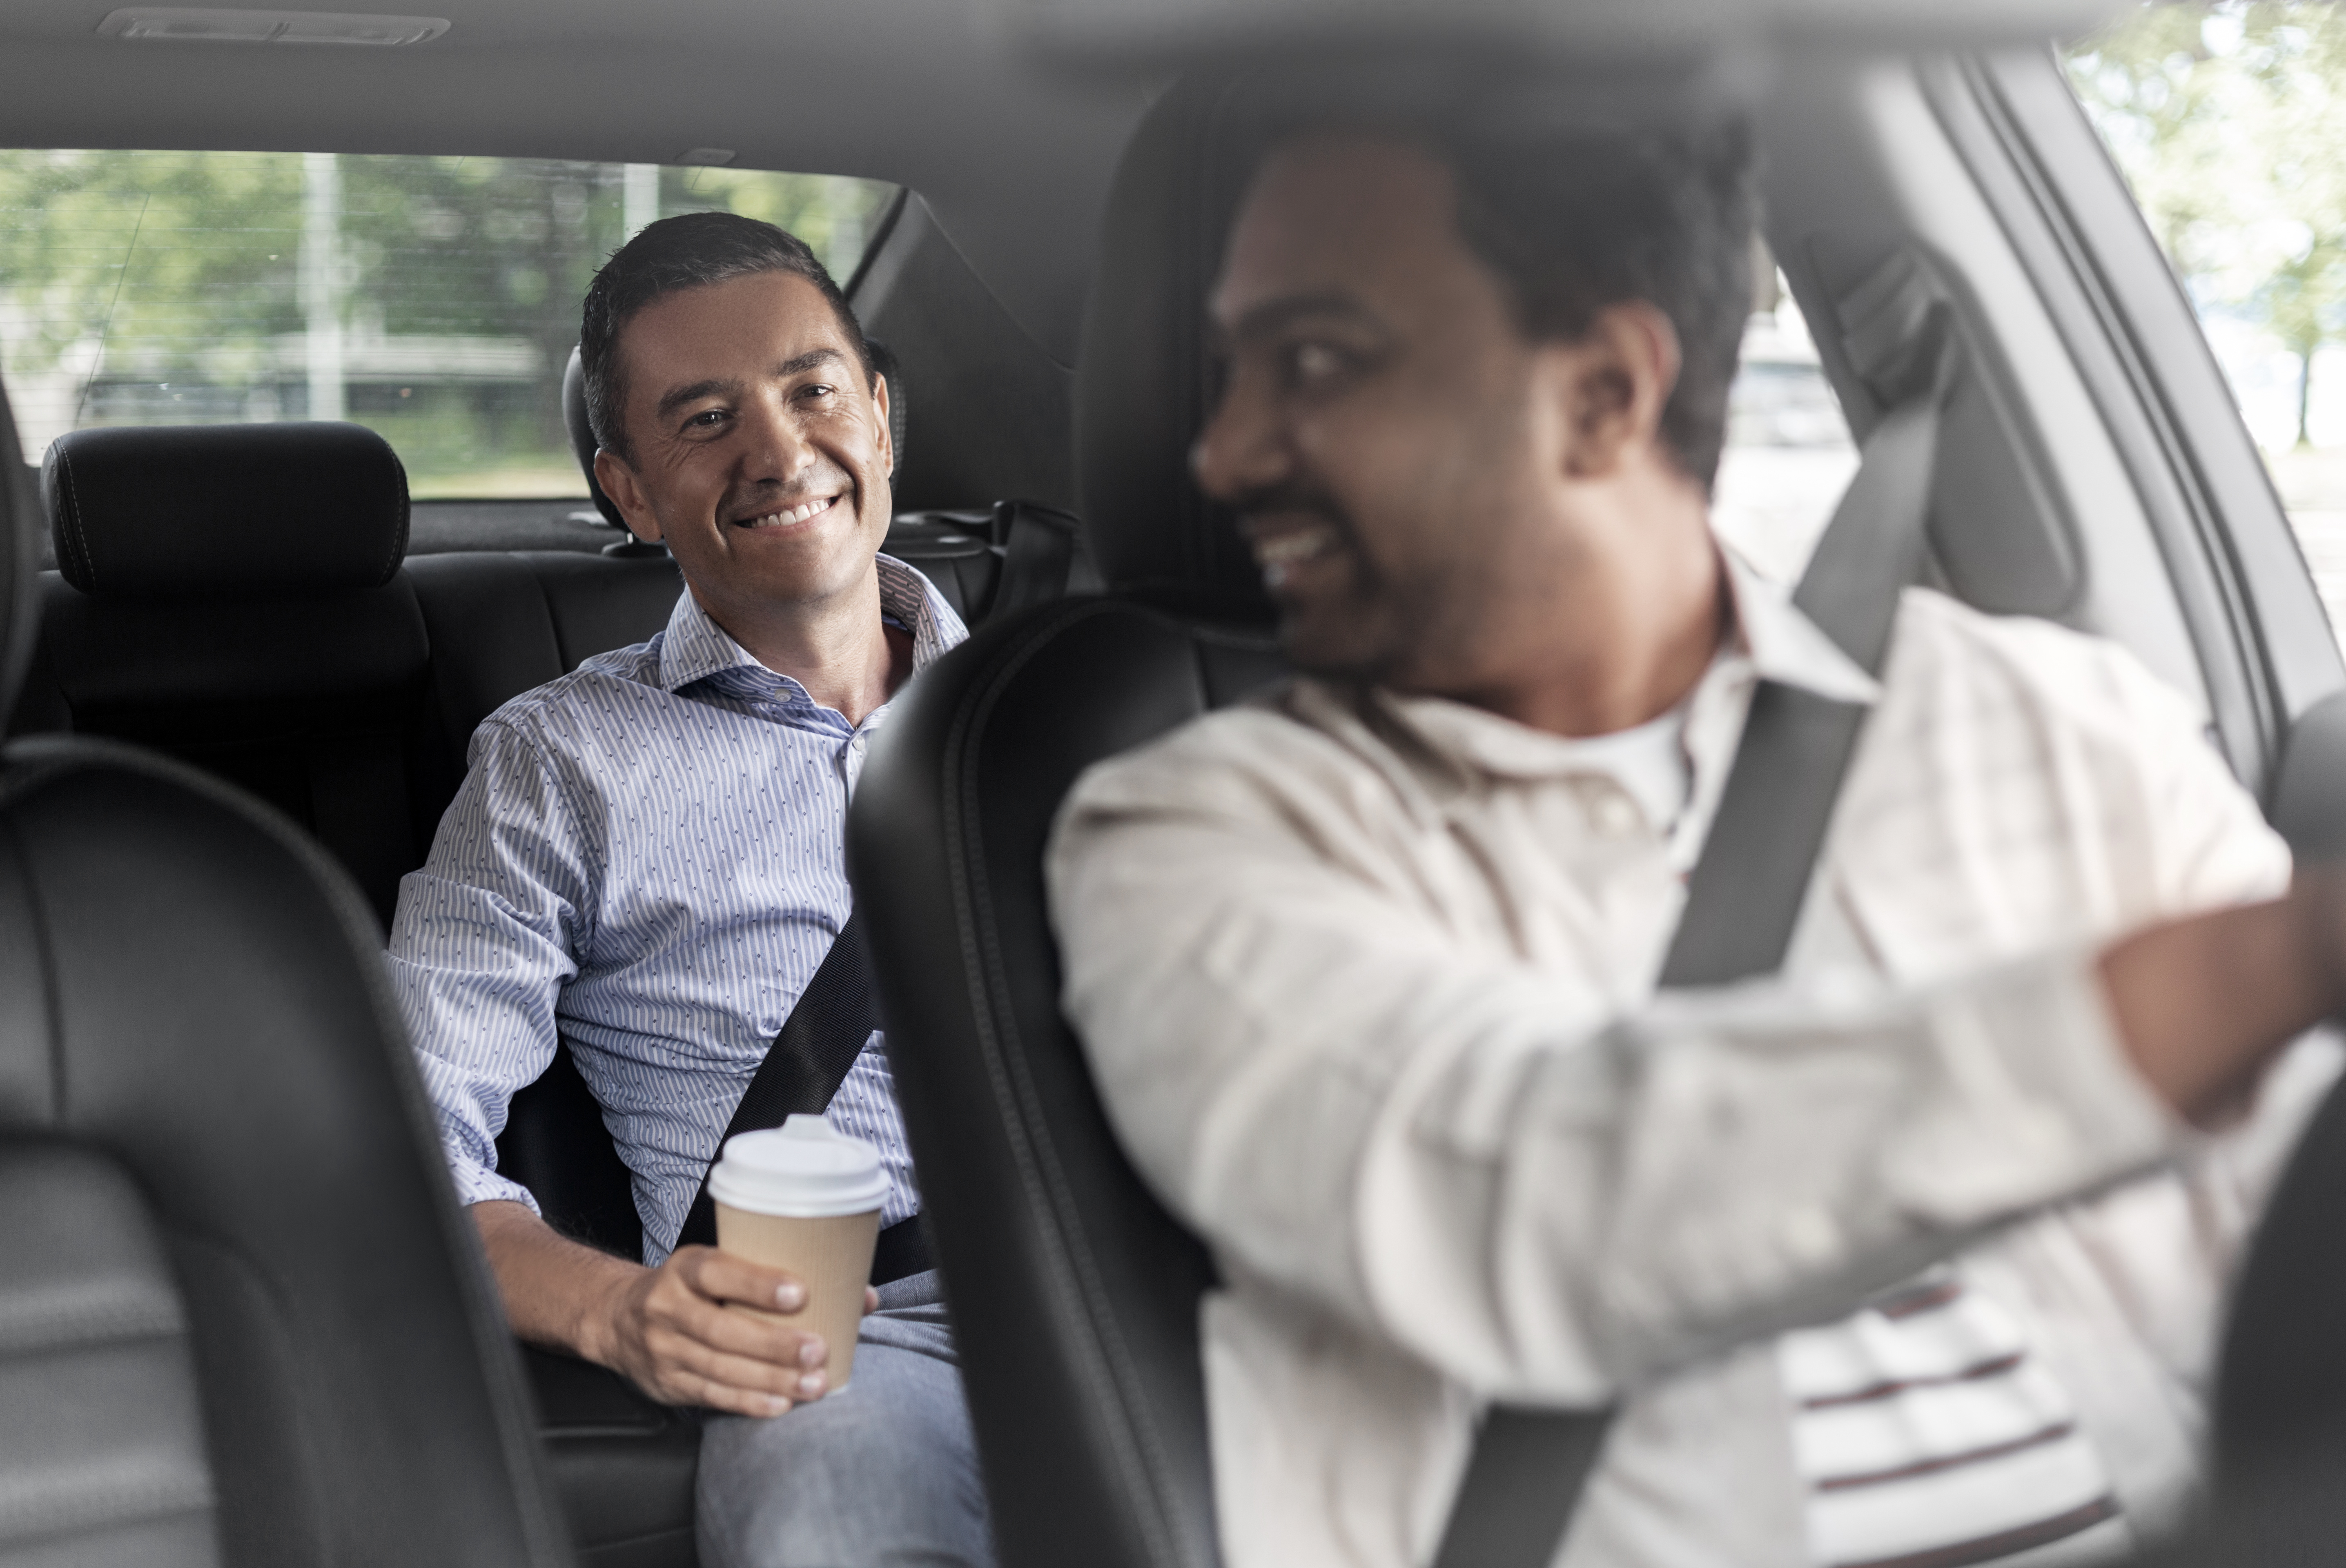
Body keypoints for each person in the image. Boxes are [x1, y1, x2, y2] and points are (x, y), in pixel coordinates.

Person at [1044, 103, 2346, 1568]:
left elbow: (2305, 1206)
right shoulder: (1191, 838)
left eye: (1320, 363)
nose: (1221, 453)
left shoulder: (2053, 721)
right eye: (1231, 371)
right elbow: (1541, 1191)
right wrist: (2266, 965)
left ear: (1604, 391)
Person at [388, 212, 991, 1568]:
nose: (779, 453)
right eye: (705, 419)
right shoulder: (557, 761)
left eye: (812, 391)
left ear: (880, 418)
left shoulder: (1056, 703)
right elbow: (395, 1142)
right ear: (632, 492)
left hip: (1158, 1282)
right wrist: (620, 1313)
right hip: (846, 1347)